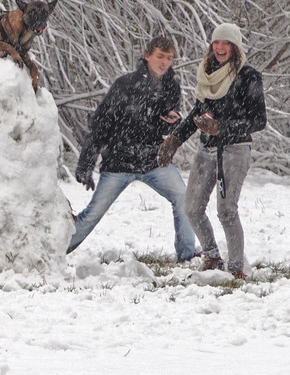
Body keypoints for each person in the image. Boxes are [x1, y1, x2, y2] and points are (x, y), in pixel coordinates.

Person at [68, 35, 198, 261]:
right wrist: (86, 162)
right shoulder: (125, 84)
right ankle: (54, 253)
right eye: (160, 56)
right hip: (119, 161)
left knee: (183, 199)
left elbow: (161, 124)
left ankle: (187, 255)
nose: (164, 62)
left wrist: (173, 121)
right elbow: (101, 123)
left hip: (153, 160)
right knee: (92, 214)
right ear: (147, 56)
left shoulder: (171, 87)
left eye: (169, 58)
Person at [158, 22, 266, 279]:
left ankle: (237, 268)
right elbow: (198, 112)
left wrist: (223, 128)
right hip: (206, 149)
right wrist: (176, 138)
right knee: (192, 207)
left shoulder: (248, 76)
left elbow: (259, 120)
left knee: (227, 211)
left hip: (235, 150)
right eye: (216, 42)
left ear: (235, 48)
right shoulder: (207, 75)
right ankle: (212, 257)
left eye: (226, 43)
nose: (220, 47)